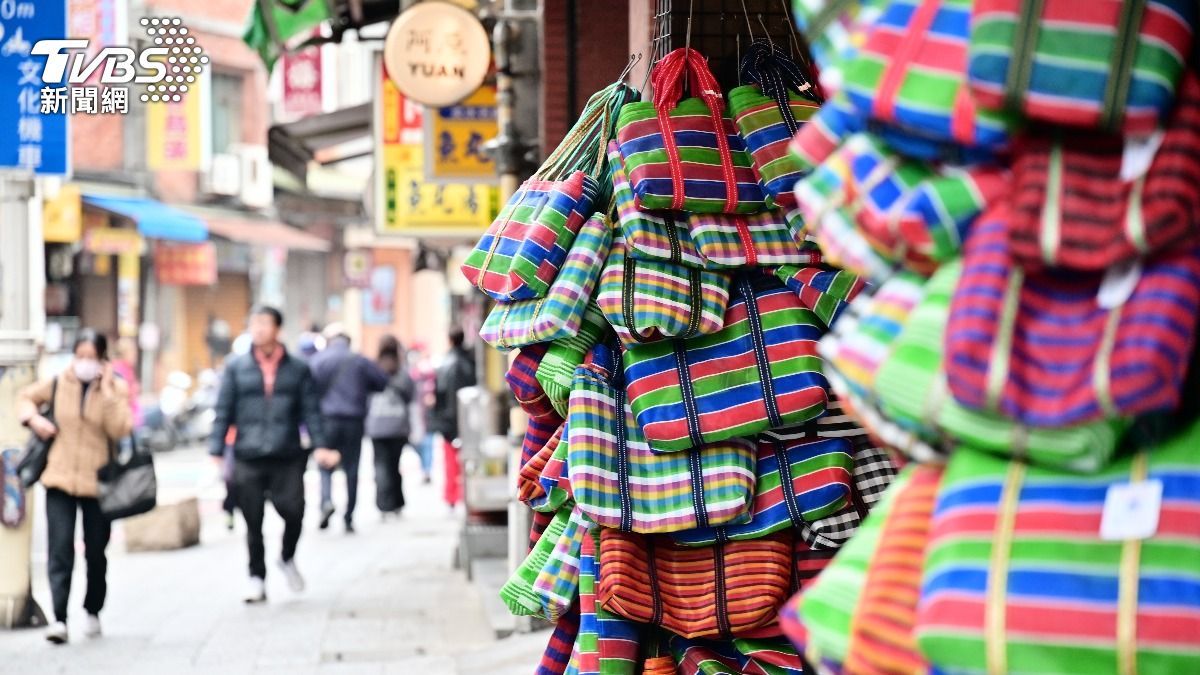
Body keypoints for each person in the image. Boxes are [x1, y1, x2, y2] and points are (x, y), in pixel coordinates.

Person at [209, 306, 337, 604]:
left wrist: (321, 445)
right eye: (254, 323)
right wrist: (216, 450)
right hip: (247, 454)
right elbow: (223, 409)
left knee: (294, 511)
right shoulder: (236, 367)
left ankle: (287, 556)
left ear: (278, 328)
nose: (259, 329)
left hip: (287, 453)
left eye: (265, 323)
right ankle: (257, 577)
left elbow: (311, 411)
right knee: (252, 521)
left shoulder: (298, 368)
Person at [16, 330, 132, 645]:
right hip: (60, 478)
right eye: (79, 356)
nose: (83, 363)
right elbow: (24, 397)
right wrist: (33, 420)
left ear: (102, 360)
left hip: (98, 483)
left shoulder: (115, 388)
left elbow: (121, 428)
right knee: (60, 549)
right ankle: (60, 618)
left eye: (90, 357)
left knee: (96, 551)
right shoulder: (57, 382)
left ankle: (92, 608)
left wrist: (106, 390)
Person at [308, 323, 389, 533]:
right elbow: (381, 382)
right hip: (353, 421)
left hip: (327, 420)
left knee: (325, 465)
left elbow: (308, 390)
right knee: (352, 469)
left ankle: (326, 501)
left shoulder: (318, 361)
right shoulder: (359, 360)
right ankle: (348, 516)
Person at [365, 336, 414, 518]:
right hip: (398, 424)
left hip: (377, 423)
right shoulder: (401, 370)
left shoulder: (373, 368)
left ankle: (384, 504)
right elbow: (410, 394)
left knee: (380, 464)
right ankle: (397, 502)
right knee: (394, 465)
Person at [430, 327, 477, 509]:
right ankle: (463, 494)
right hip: (468, 418)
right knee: (468, 459)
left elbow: (441, 396)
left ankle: (452, 496)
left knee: (451, 461)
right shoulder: (470, 361)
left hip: (449, 421)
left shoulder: (445, 364)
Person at [409, 343, 437, 484]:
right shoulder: (414, 372)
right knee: (420, 443)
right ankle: (425, 468)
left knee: (427, 442)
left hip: (427, 414)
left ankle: (426, 469)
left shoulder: (429, 371)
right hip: (417, 412)